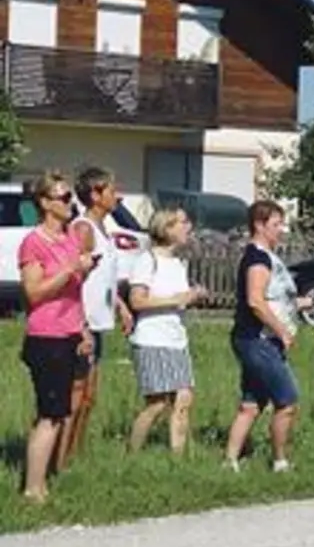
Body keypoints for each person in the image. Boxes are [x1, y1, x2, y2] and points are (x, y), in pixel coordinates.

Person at [17, 172, 97, 502]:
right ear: (45, 203)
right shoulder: (33, 242)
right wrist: (68, 270)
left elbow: (74, 294)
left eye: (70, 198)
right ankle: (33, 489)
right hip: (45, 336)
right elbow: (33, 292)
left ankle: (41, 481)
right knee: (50, 414)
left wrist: (83, 327)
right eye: (63, 198)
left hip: (67, 333)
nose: (70, 204)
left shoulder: (69, 239)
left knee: (58, 411)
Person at [225, 200, 312, 473]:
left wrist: (300, 304)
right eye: (276, 225)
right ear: (259, 225)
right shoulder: (258, 258)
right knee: (287, 402)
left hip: (257, 340)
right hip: (258, 340)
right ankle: (279, 460)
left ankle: (230, 460)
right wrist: (281, 330)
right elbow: (255, 300)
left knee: (251, 405)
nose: (281, 230)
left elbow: (274, 299)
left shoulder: (268, 257)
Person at [59, 166, 133, 468]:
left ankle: (74, 454)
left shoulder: (104, 229)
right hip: (82, 324)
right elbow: (73, 278)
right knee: (76, 395)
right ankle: (60, 458)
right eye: (112, 190)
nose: (118, 195)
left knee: (89, 397)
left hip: (100, 322)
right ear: (95, 194)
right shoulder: (83, 229)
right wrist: (81, 324)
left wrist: (120, 305)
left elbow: (102, 277)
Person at [127, 208, 206, 454]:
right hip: (152, 339)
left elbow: (178, 298)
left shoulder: (178, 263)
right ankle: (132, 452)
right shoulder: (147, 261)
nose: (188, 227)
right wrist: (177, 298)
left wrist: (192, 296)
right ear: (167, 228)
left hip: (176, 340)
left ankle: (178, 458)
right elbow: (137, 301)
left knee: (184, 399)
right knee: (157, 403)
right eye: (182, 222)